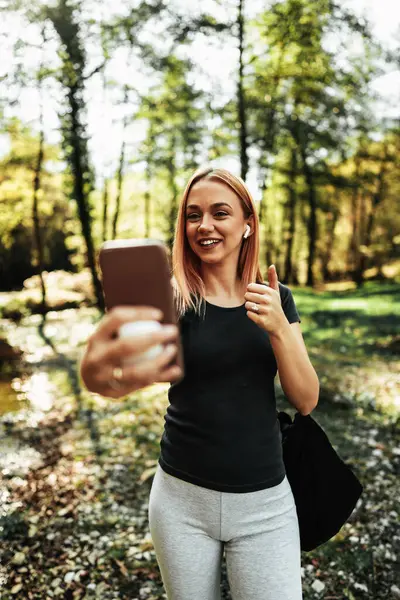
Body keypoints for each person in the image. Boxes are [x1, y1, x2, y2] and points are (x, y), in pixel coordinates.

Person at [80, 166, 320, 600]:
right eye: (193, 215)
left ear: (248, 224)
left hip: (265, 504)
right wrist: (96, 375)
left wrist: (280, 329)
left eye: (220, 213)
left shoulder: (275, 296)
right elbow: (119, 379)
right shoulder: (172, 299)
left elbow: (305, 399)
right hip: (181, 503)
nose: (204, 225)